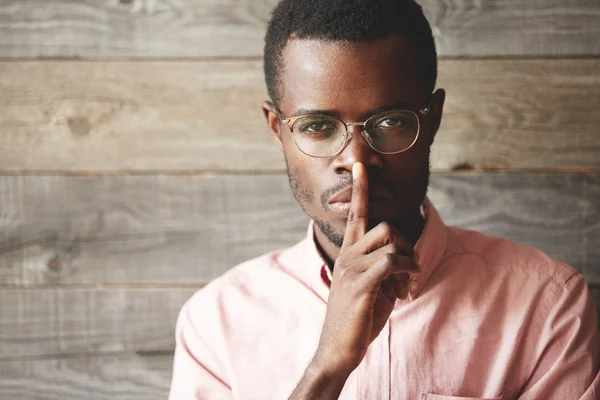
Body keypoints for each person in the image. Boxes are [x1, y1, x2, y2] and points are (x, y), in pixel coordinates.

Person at [168, 0, 600, 398]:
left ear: (433, 121)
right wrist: (326, 369)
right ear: (277, 130)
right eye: (317, 126)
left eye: (391, 121)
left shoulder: (545, 304)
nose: (356, 161)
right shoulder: (215, 323)